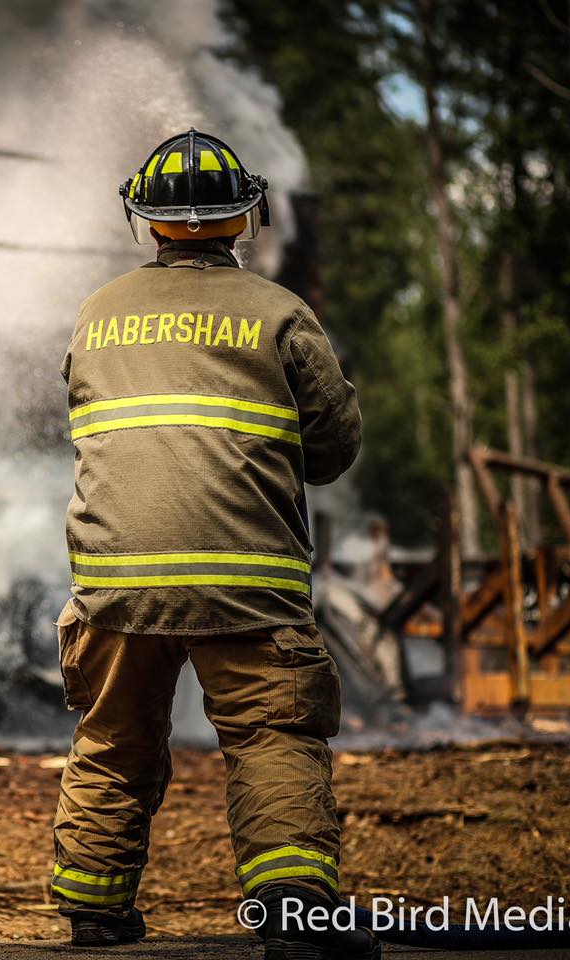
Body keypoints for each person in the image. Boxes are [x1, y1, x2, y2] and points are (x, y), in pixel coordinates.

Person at [50, 129, 375, 960]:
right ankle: (297, 917)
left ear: (145, 220)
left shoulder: (96, 314)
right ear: (245, 218)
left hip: (115, 578)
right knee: (272, 737)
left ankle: (95, 910)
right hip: (247, 582)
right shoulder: (279, 314)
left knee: (114, 737)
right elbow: (333, 452)